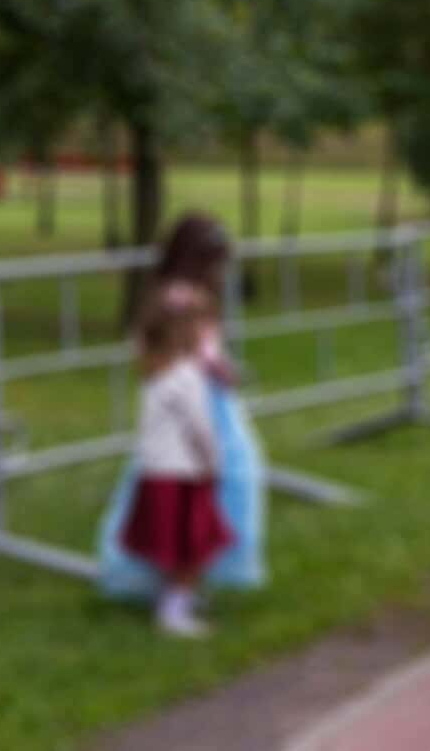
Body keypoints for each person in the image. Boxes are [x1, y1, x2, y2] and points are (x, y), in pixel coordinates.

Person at [97, 214, 267, 606]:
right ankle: (181, 586)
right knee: (205, 491)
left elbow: (146, 349)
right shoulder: (189, 303)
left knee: (172, 495)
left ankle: (181, 582)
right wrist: (221, 371)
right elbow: (201, 355)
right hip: (197, 407)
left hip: (176, 408)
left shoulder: (163, 297)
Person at [118, 290, 232, 637]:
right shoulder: (186, 375)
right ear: (184, 331)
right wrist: (213, 461)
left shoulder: (153, 373)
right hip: (185, 472)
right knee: (192, 546)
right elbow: (199, 425)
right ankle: (176, 609)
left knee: (169, 544)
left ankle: (172, 598)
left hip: (155, 470)